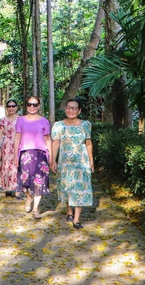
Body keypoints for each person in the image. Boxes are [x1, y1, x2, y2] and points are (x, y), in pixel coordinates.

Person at [50, 98, 94, 229]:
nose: (71, 110)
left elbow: (88, 143)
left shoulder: (85, 125)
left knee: (80, 188)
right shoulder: (58, 125)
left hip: (81, 162)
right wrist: (53, 159)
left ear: (79, 110)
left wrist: (91, 160)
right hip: (65, 162)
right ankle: (69, 211)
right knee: (68, 187)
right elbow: (55, 143)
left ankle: (76, 218)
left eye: (74, 108)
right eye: (69, 107)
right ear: (65, 109)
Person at [13, 96, 51, 219]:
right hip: (25, 154)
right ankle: (29, 197)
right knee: (25, 181)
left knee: (39, 182)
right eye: (30, 104)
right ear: (26, 105)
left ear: (39, 106)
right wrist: (15, 155)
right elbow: (17, 138)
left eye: (35, 104)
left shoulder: (44, 121)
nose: (32, 107)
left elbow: (47, 139)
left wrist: (50, 156)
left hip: (40, 154)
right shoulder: (21, 120)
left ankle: (35, 209)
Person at [0, 99, 21, 198]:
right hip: (6, 146)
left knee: (17, 167)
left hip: (18, 145)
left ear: (16, 107)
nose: (11, 108)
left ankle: (17, 190)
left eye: (13, 106)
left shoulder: (21, 119)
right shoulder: (3, 120)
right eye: (9, 106)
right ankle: (7, 188)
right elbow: (0, 134)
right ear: (6, 108)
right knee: (6, 167)